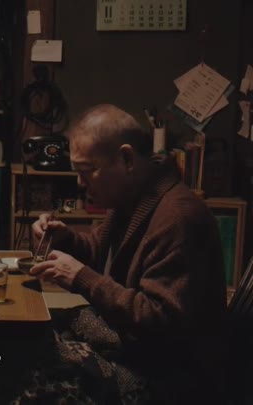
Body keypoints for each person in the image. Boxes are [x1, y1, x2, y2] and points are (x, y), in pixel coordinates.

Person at [28, 104, 227, 403]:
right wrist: (63, 239)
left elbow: (159, 318)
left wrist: (81, 277)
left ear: (126, 159)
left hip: (169, 375)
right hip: (138, 347)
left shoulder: (178, 217)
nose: (80, 184)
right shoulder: (131, 198)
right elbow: (98, 250)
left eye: (87, 171)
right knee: (35, 333)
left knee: (37, 374)